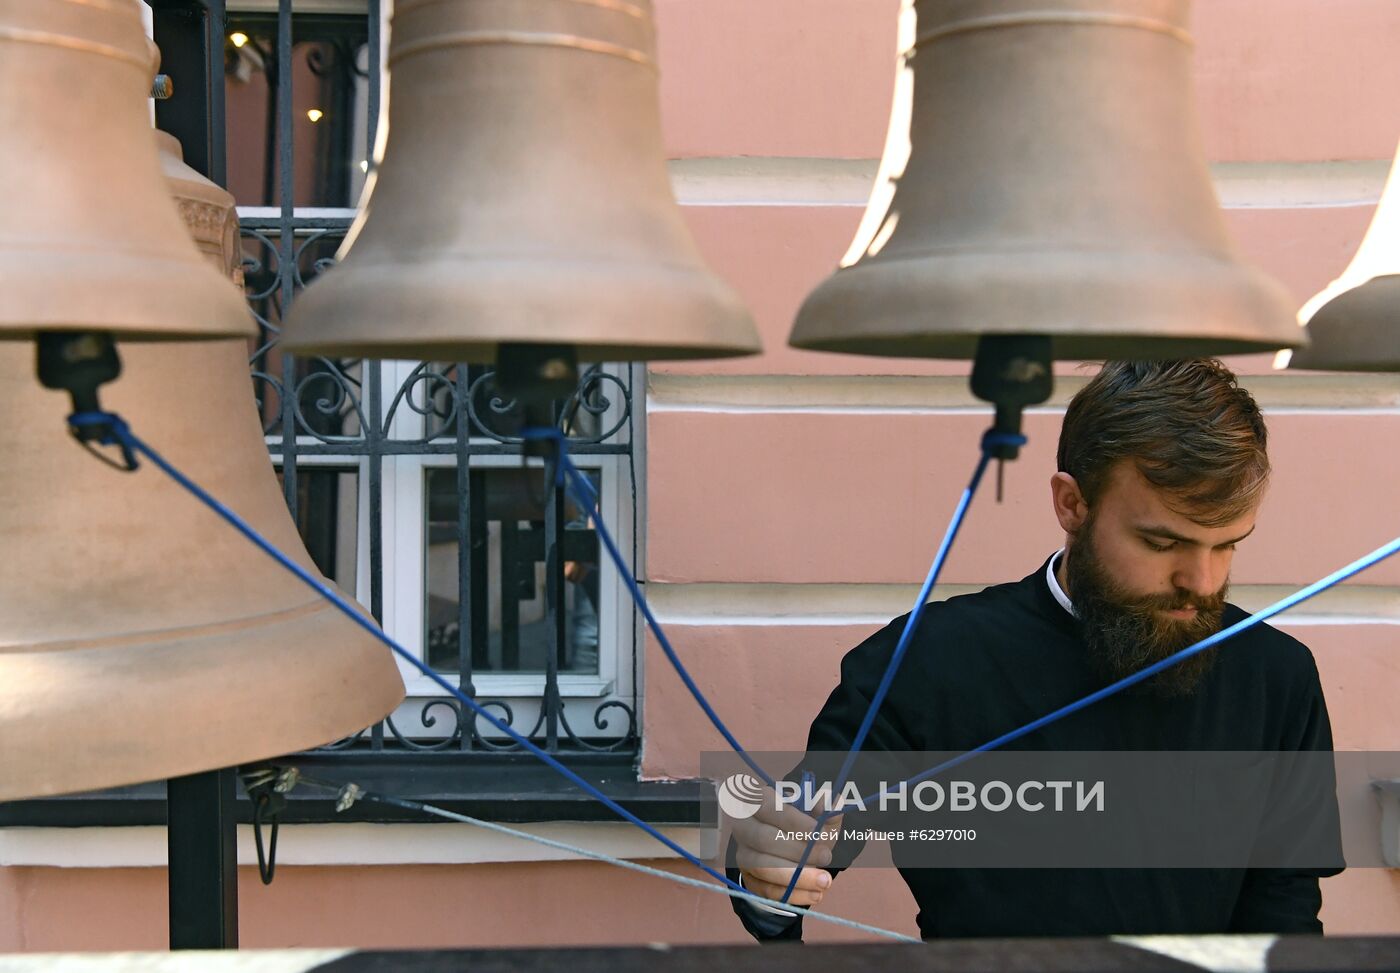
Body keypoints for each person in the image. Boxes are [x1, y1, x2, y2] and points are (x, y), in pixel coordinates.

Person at [728, 359, 1342, 940]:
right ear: (1072, 504)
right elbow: (799, 835)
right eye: (1161, 544)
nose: (1202, 582)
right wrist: (767, 871)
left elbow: (1284, 920)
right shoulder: (929, 660)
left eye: (1227, 545)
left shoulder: (1277, 675)